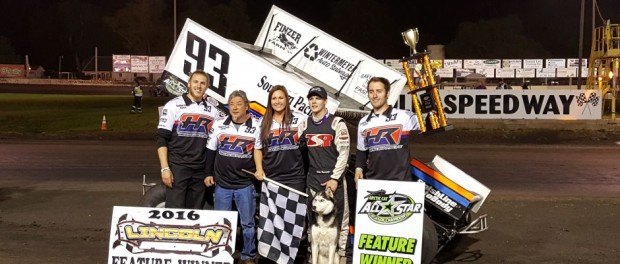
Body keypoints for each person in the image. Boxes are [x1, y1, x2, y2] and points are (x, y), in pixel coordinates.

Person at [204, 90, 259, 264]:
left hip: (245, 184)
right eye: (232, 104)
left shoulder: (256, 126)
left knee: (248, 224)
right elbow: (211, 150)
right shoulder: (219, 124)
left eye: (239, 104)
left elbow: (259, 151)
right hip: (223, 185)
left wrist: (259, 169)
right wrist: (207, 173)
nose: (234, 108)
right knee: (221, 222)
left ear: (246, 106)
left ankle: (248, 255)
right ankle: (221, 254)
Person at [298, 86, 350, 260]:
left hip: (333, 179)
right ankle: (313, 256)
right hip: (313, 179)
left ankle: (340, 255)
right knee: (312, 220)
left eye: (317, 98)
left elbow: (344, 153)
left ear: (325, 101)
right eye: (311, 99)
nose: (314, 102)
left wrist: (335, 178)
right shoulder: (304, 124)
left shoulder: (337, 123)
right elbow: (295, 149)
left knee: (339, 219)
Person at [156, 70, 218, 209]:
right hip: (178, 166)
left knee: (195, 213)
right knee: (175, 211)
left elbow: (215, 143)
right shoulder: (173, 105)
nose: (199, 86)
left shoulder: (213, 111)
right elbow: (161, 139)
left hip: (200, 169)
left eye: (203, 83)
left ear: (207, 87)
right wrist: (164, 168)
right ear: (189, 84)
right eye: (195, 82)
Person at [355, 77, 420, 186]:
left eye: (379, 91)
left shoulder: (404, 116)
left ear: (387, 93)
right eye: (371, 92)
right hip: (373, 182)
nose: (374, 96)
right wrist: (358, 169)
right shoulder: (363, 122)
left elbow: (432, 124)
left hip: (401, 181)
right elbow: (361, 151)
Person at [253, 85, 307, 192]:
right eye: (274, 98)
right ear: (270, 101)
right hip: (270, 176)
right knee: (272, 209)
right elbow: (257, 148)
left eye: (281, 98)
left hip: (295, 177)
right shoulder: (262, 122)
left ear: (287, 99)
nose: (277, 101)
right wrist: (259, 169)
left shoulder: (300, 119)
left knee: (292, 208)